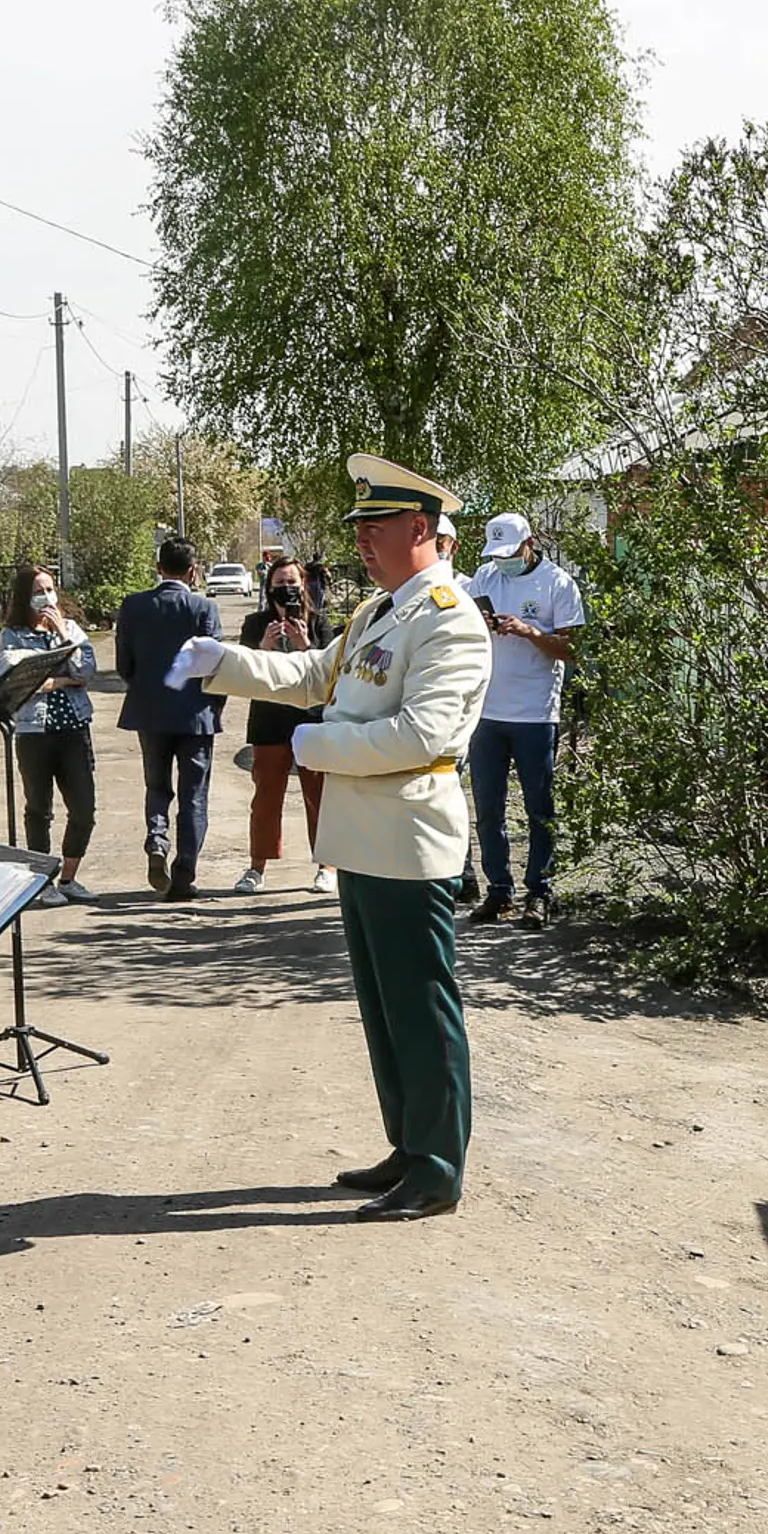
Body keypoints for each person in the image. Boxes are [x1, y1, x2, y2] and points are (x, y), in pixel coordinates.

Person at [167, 454, 489, 1218]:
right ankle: (409, 1146)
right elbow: (316, 676)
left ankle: (438, 1169)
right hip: (366, 839)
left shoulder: (448, 618)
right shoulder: (378, 612)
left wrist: (318, 748)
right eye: (359, 529)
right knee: (384, 1009)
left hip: (409, 839)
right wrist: (227, 662)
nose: (362, 541)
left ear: (421, 528)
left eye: (375, 527)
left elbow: (423, 733)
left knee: (421, 1007)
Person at [461, 512, 583, 927]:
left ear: (529, 543)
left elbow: (570, 649)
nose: (502, 561)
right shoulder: (484, 576)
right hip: (487, 712)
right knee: (488, 809)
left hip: (535, 713)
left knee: (538, 807)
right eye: (495, 554)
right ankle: (499, 891)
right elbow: (463, 628)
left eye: (508, 553)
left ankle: (540, 891)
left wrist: (529, 632)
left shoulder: (558, 583)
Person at [111, 535, 222, 902]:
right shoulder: (203, 609)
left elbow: (124, 665)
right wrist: (213, 708)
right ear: (193, 571)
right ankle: (183, 874)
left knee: (157, 786)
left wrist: (145, 690)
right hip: (195, 715)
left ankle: (156, 840)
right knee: (194, 796)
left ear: (159, 568)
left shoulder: (133, 606)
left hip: (150, 712)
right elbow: (215, 667)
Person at [0, 563, 100, 904]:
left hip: (73, 727)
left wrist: (64, 637)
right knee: (39, 808)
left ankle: (69, 877)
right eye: (39, 591)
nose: (47, 596)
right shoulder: (13, 634)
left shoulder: (69, 628)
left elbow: (86, 670)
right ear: (25, 598)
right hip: (34, 731)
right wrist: (64, 678)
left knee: (84, 808)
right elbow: (26, 681)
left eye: (50, 589)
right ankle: (43, 883)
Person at [233, 566, 327, 897]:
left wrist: (305, 645)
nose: (286, 589)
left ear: (303, 585)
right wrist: (263, 647)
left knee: (319, 797)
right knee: (266, 799)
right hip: (269, 720)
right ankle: (257, 867)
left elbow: (329, 674)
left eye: (291, 582)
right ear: (268, 586)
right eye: (279, 583)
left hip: (311, 720)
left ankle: (326, 866)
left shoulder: (318, 623)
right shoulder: (255, 624)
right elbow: (243, 669)